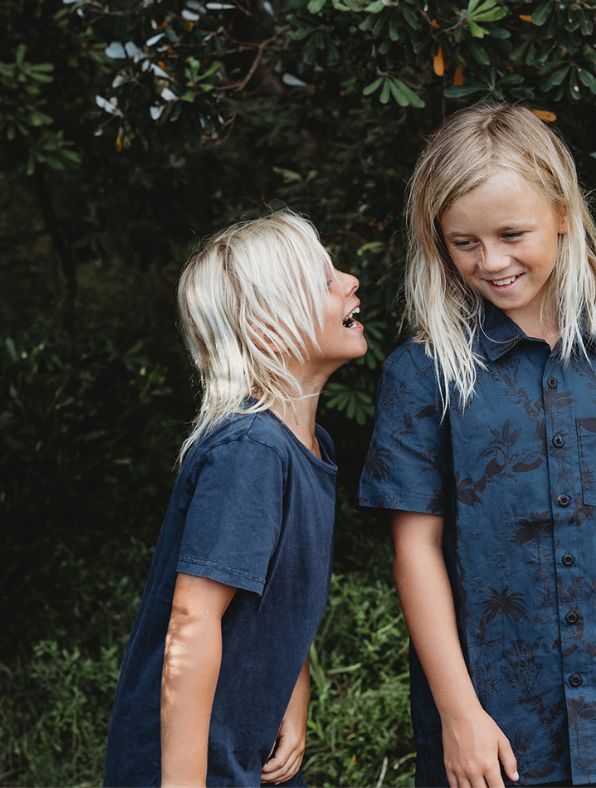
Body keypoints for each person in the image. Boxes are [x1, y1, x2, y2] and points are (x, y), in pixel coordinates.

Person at [358, 104, 596, 788]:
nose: (490, 261)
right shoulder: (422, 373)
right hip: (493, 724)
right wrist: (458, 713)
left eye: (511, 233)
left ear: (560, 212)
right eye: (464, 242)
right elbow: (416, 549)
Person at [103, 210, 367, 786]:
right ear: (270, 330)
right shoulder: (251, 451)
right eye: (324, 280)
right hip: (187, 766)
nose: (350, 280)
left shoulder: (309, 446)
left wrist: (292, 704)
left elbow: (279, 601)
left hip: (249, 751)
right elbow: (193, 620)